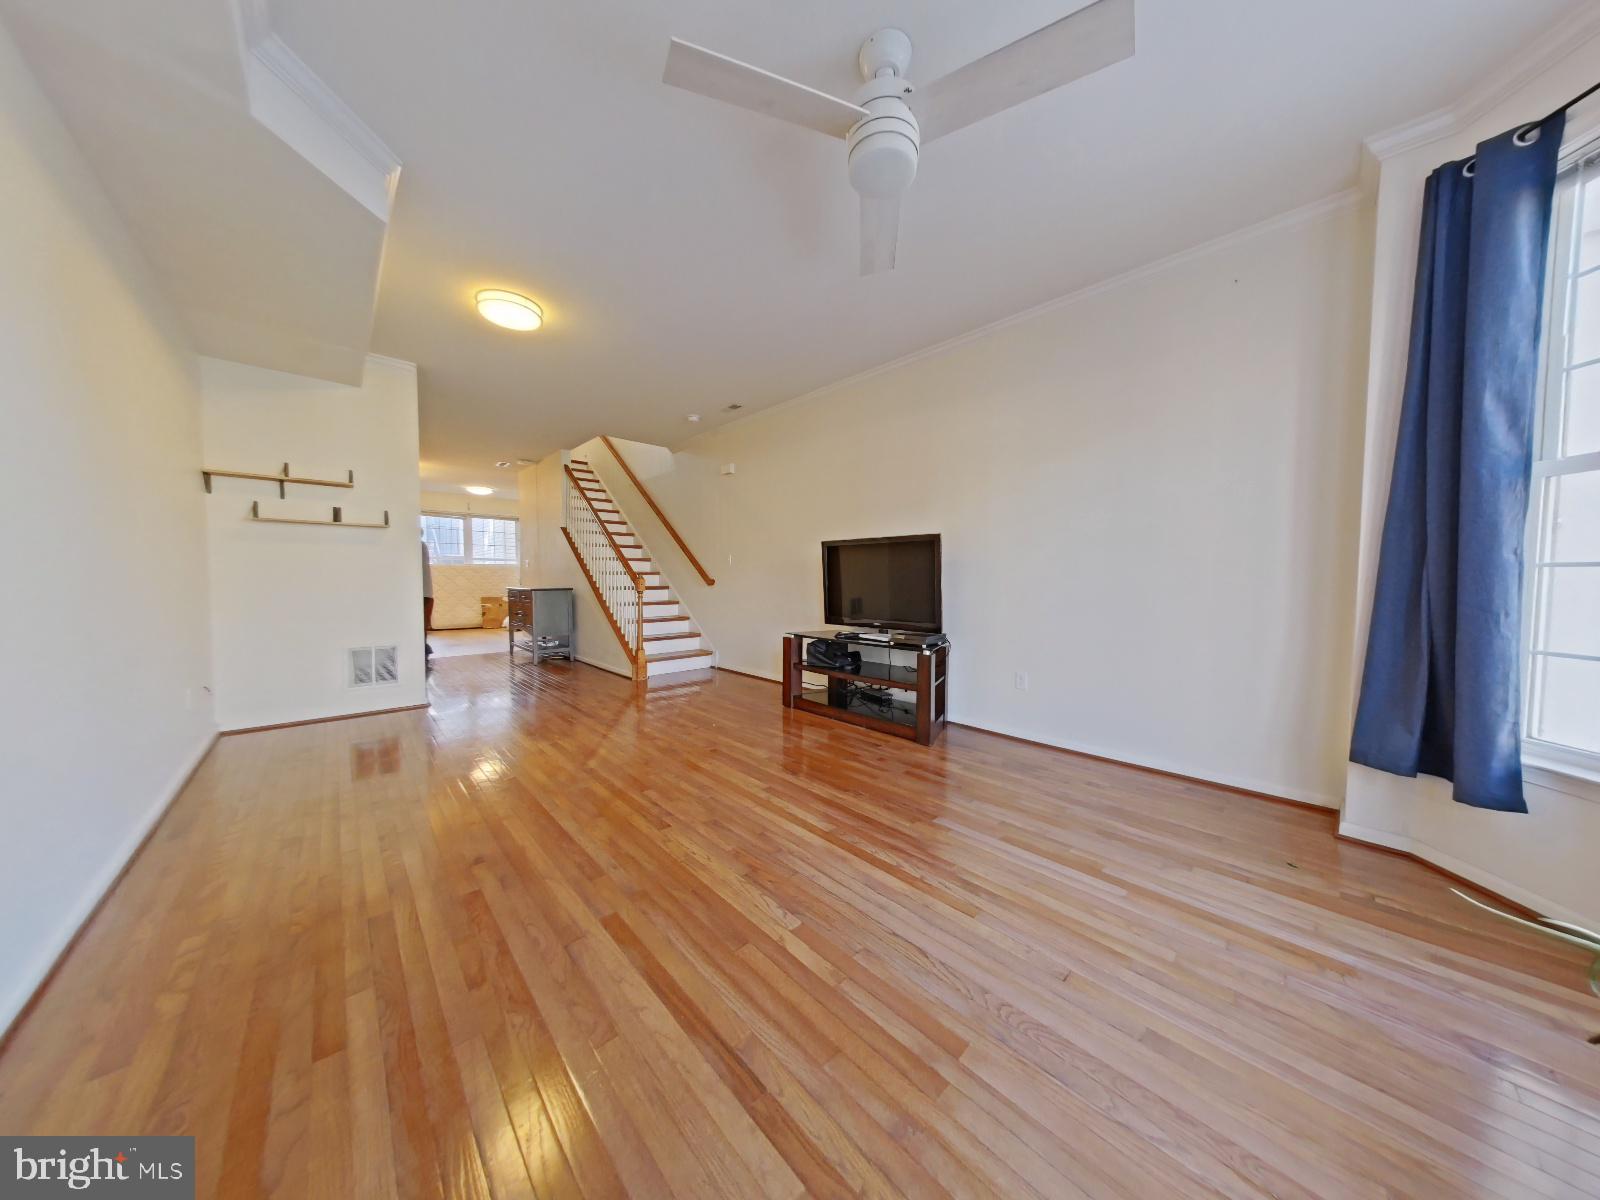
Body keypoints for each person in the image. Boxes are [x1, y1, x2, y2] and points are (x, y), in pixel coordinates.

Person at [421, 534, 434, 665]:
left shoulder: (419, 545)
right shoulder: (422, 545)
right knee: (422, 624)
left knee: (421, 624)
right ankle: (423, 648)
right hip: (425, 592)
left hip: (422, 592)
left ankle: (422, 649)